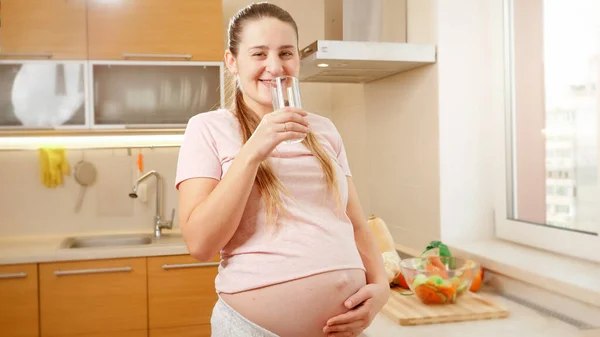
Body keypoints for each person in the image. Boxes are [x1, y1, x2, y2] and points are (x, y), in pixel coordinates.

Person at [175, 2, 390, 336]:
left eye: (286, 53)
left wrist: (381, 289)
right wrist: (253, 152)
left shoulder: (324, 130)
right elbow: (200, 244)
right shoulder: (207, 128)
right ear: (232, 62)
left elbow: (357, 225)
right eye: (259, 54)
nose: (274, 67)